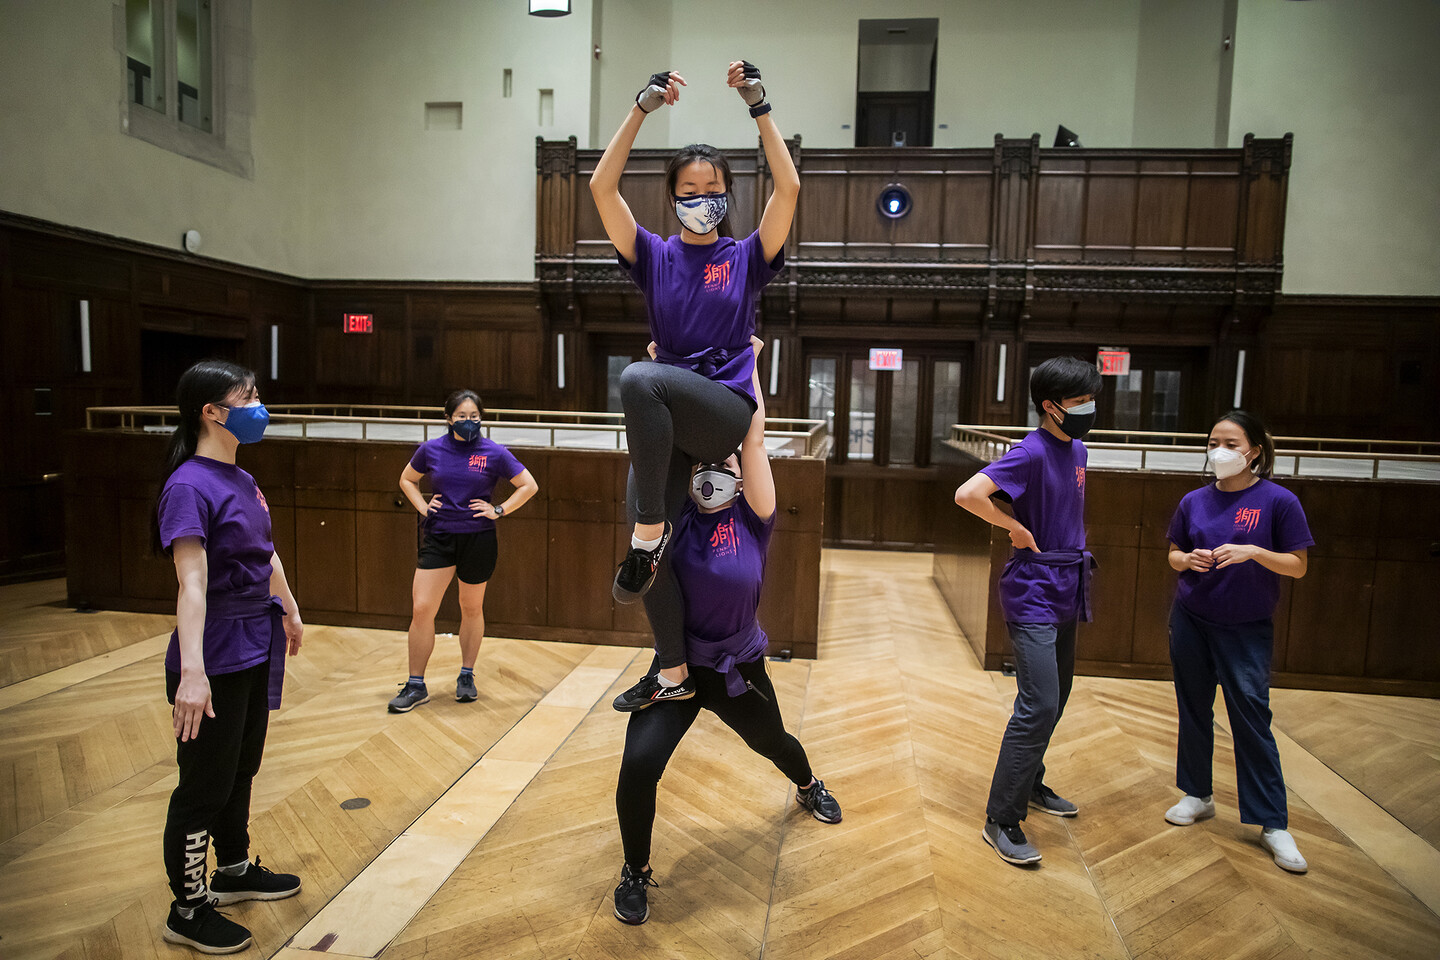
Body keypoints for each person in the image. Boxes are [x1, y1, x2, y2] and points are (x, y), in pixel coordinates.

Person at [590, 59, 798, 710]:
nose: (700, 195)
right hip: (669, 417)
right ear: (674, 195)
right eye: (688, 186)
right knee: (649, 550)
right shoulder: (654, 255)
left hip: (723, 411)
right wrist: (641, 108)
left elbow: (788, 190)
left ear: (727, 194)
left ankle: (650, 534)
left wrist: (759, 106)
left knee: (639, 378)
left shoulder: (742, 259)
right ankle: (674, 674)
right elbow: (601, 186)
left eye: (712, 186)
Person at [612, 344, 840, 925]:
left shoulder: (753, 519)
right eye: (705, 467)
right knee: (638, 766)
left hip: (738, 669)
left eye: (729, 465)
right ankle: (635, 869)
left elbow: (753, 436)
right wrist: (666, 372)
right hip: (679, 671)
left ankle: (808, 783)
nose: (717, 473)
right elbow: (655, 443)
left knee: (776, 743)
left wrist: (750, 367)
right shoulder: (670, 517)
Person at [154, 360, 304, 954]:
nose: (259, 407)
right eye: (248, 399)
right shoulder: (189, 485)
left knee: (240, 769)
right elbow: (191, 584)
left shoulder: (241, 477)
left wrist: (289, 609)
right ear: (210, 412)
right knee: (203, 786)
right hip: (212, 650)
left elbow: (264, 556)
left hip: (254, 640)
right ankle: (187, 908)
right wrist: (193, 675)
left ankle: (234, 869)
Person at [952, 356, 1102, 866]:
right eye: (1080, 400)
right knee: (1038, 703)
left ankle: (1031, 781)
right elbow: (968, 494)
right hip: (1034, 589)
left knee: (1057, 698)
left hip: (1067, 582)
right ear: (1050, 406)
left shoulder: (1078, 449)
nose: (1088, 407)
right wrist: (1012, 527)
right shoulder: (1031, 451)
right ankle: (1002, 818)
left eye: (1089, 398)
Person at [1163, 410, 1313, 873]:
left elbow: (1298, 565)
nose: (1219, 451)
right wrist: (1186, 559)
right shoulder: (1193, 500)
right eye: (1213, 442)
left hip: (1246, 626)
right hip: (1191, 618)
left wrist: (1253, 552)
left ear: (1255, 452)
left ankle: (1272, 823)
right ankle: (1198, 794)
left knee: (1251, 717)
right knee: (1193, 706)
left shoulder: (1279, 501)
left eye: (1230, 443)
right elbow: (1172, 554)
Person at [389, 389, 538, 712]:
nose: (469, 422)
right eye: (462, 416)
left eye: (474, 416)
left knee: (471, 608)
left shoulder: (494, 452)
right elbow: (407, 480)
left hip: (478, 539)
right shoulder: (431, 450)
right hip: (439, 537)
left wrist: (499, 510)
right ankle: (416, 684)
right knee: (422, 608)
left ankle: (466, 675)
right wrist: (424, 507)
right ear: (448, 418)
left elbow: (529, 485)